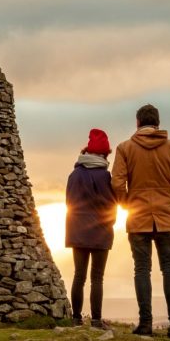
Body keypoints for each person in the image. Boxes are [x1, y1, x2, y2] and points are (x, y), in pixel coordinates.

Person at [111, 104, 170, 338]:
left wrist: (128, 204)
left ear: (137, 123)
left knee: (142, 269)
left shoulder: (125, 148)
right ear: (157, 123)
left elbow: (117, 183)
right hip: (166, 217)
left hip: (138, 217)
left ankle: (145, 323)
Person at [65, 128, 117, 328]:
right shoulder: (105, 176)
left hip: (77, 229)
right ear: (104, 154)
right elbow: (112, 204)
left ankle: (76, 318)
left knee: (79, 275)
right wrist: (110, 223)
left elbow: (69, 202)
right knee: (97, 277)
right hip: (101, 231)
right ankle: (96, 320)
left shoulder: (74, 174)